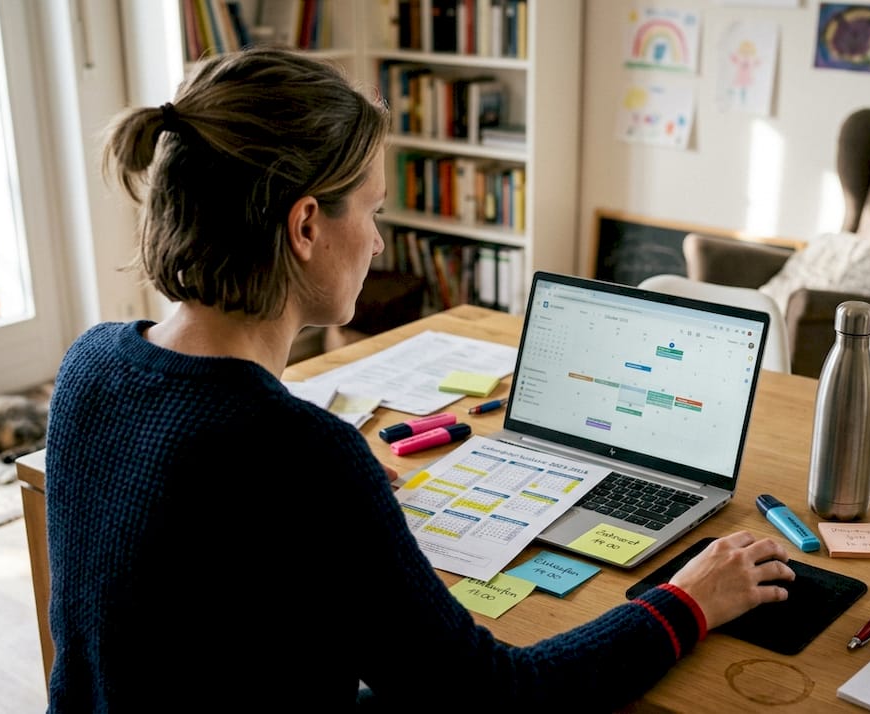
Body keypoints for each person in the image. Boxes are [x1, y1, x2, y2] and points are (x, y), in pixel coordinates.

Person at [44, 46, 793, 712]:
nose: (376, 240)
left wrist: (338, 508)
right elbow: (497, 697)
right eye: (370, 210)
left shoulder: (90, 363)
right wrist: (687, 601)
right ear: (305, 227)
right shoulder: (301, 452)